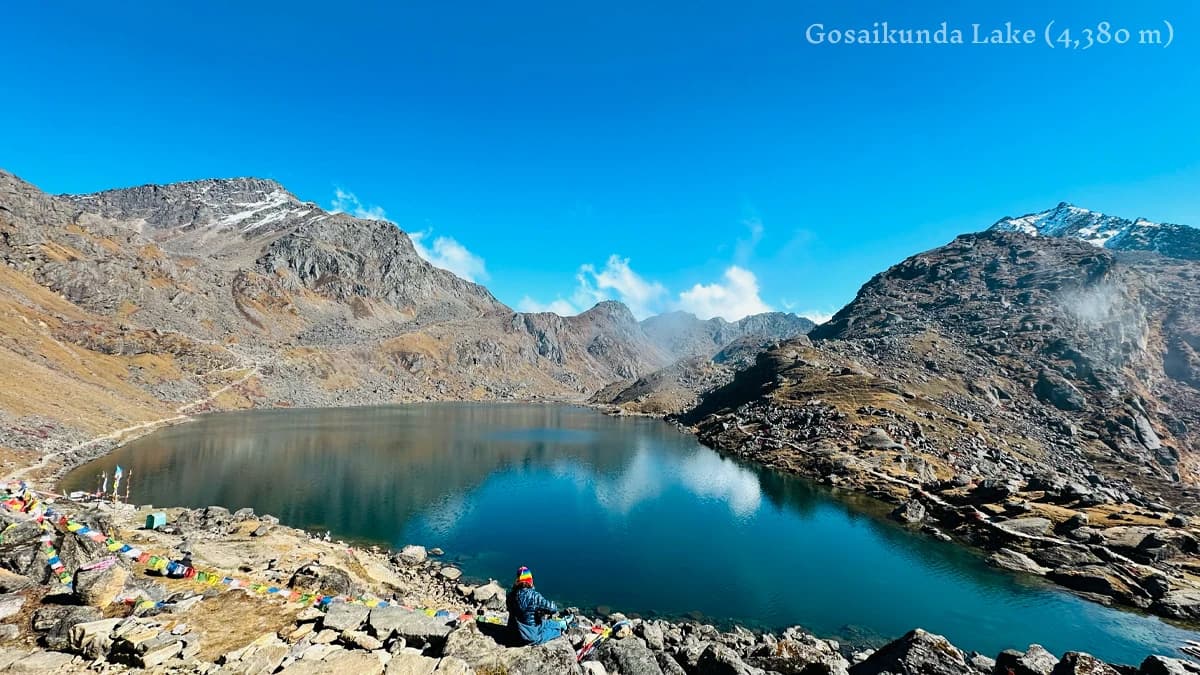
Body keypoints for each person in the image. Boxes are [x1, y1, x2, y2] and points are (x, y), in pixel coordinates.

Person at [506, 566, 568, 645]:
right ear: (530, 581)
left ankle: (561, 623)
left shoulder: (510, 595)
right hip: (529, 636)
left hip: (513, 632)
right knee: (554, 631)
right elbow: (553, 609)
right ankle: (562, 626)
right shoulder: (534, 596)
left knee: (545, 622)